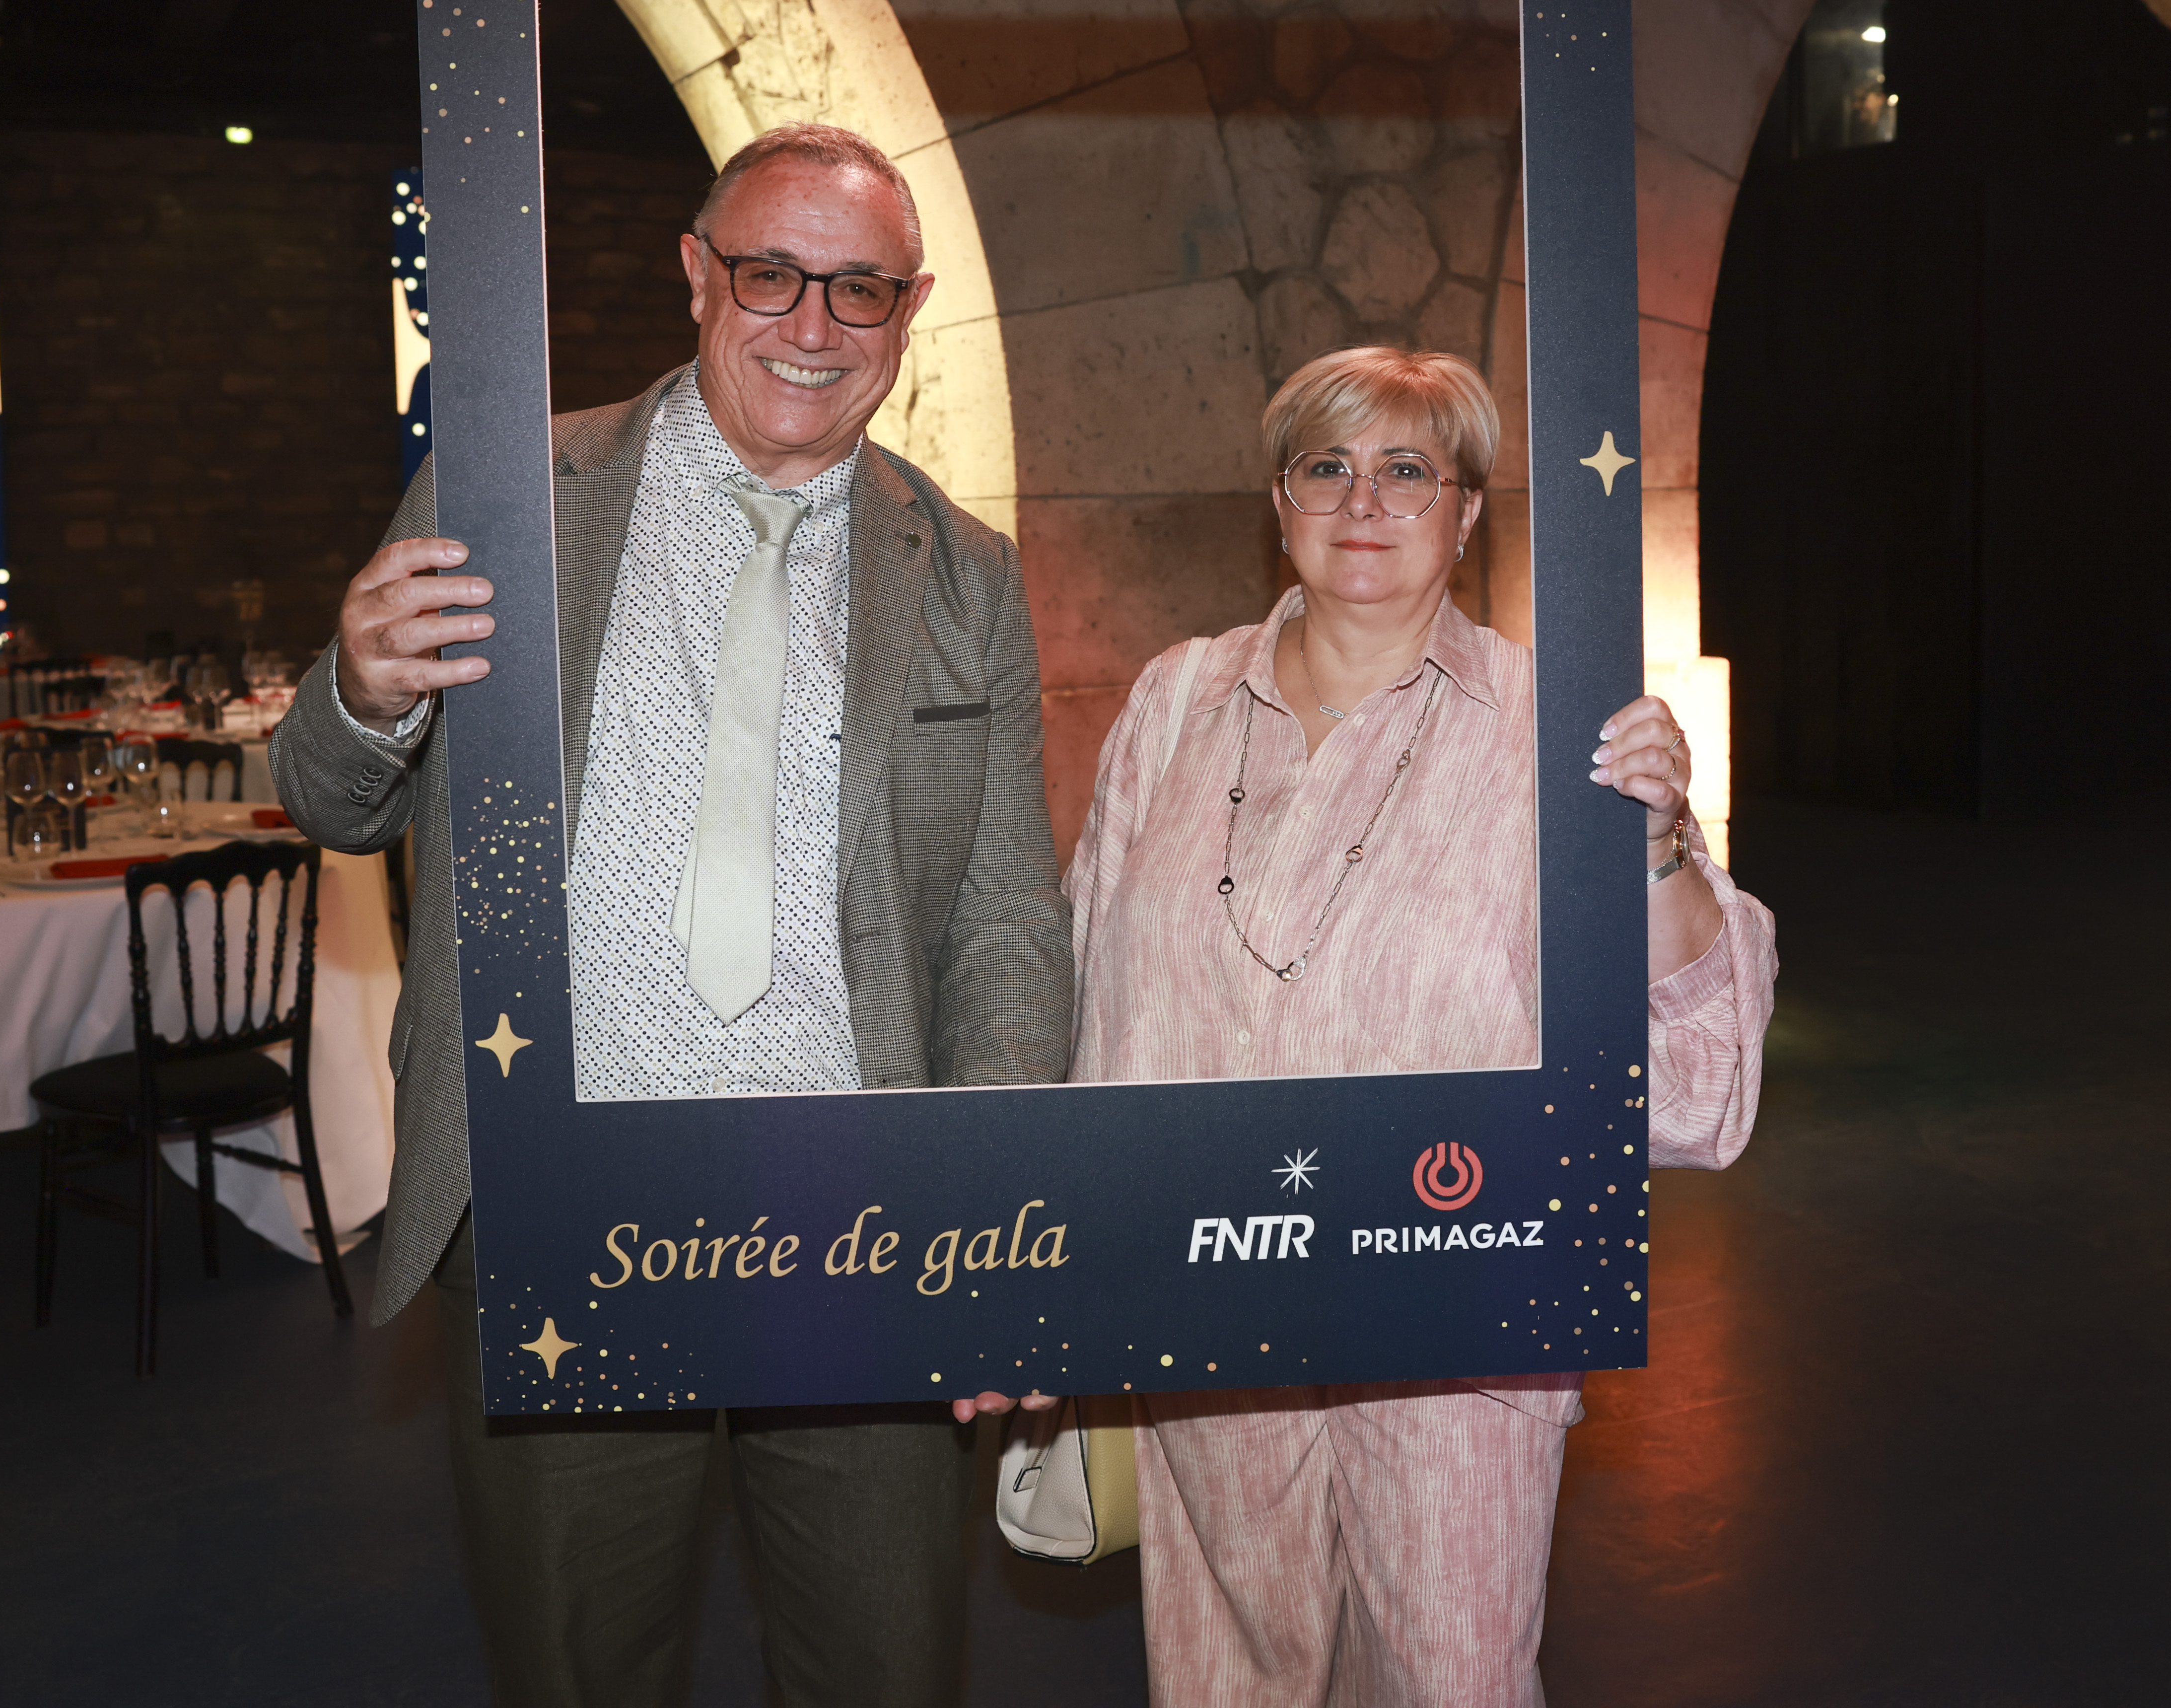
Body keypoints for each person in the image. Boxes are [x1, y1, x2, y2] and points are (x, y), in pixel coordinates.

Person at [272, 123, 1072, 1708]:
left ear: (909, 313)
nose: (815, 325)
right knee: (581, 1668)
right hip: (566, 1193)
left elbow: (1002, 925)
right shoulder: (510, 495)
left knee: (885, 1670)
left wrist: (989, 1217)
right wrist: (359, 692)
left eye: (862, 289)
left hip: (863, 1217)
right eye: (773, 274)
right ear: (699, 275)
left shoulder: (968, 573)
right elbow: (336, 803)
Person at [980, 346, 1774, 1707]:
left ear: (1466, 517)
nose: (1364, 501)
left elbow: (1701, 1093)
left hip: (1456, 1311)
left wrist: (1654, 852)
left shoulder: (1560, 733)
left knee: (1449, 1678)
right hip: (1207, 1301)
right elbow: (1083, 987)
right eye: (1328, 467)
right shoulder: (1172, 702)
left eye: (1409, 471)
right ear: (1279, 502)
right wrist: (1050, 1264)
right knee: (1229, 1676)